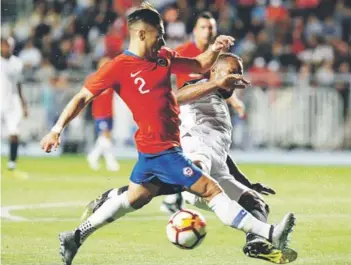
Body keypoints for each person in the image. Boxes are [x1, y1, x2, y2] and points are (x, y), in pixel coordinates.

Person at [40, 4, 296, 265]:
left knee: (133, 199)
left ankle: (74, 236)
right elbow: (83, 97)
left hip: (152, 151)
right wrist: (56, 130)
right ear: (141, 34)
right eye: (158, 34)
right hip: (162, 150)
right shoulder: (118, 67)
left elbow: (199, 63)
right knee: (210, 189)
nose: (162, 40)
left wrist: (216, 49)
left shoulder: (162, 56)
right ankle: (270, 233)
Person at [161, 11, 271, 216]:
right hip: (186, 111)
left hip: (206, 109)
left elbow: (219, 85)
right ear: (194, 30)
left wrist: (234, 100)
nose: (207, 31)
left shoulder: (219, 59)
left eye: (211, 27)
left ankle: (258, 236)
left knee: (213, 152)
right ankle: (169, 195)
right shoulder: (184, 53)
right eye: (203, 27)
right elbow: (180, 92)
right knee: (195, 159)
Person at [87, 57, 120, 172]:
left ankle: (93, 156)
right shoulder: (93, 78)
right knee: (104, 136)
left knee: (104, 138)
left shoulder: (111, 79)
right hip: (99, 113)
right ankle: (111, 162)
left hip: (110, 112)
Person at [1, 37, 28, 170]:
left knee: (14, 133)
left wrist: (24, 104)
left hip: (12, 102)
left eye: (7, 45)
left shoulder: (17, 63)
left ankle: (12, 162)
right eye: (3, 45)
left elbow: (19, 85)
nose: (5, 48)